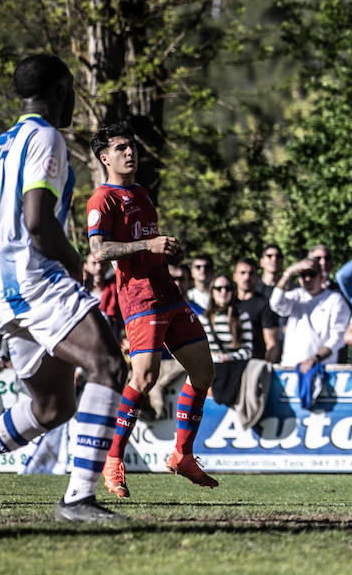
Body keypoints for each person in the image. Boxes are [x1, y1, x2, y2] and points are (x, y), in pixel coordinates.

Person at [0, 54, 128, 522]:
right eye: (73, 92)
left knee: (52, 405)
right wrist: (75, 263)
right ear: (61, 91)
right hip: (34, 279)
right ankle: (79, 498)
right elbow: (37, 223)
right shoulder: (46, 138)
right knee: (106, 364)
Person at [86, 121, 219, 499]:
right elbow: (100, 250)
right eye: (122, 148)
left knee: (203, 371)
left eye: (134, 147)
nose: (131, 153)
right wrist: (148, 246)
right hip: (139, 299)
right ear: (104, 157)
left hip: (169, 294)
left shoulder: (141, 193)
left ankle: (182, 454)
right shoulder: (102, 199)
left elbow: (148, 242)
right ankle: (113, 459)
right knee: (143, 378)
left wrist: (167, 249)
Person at [270, 258, 351, 370]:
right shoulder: (296, 296)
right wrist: (289, 272)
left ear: (321, 276)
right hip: (291, 367)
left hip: (322, 369)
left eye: (312, 274)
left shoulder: (335, 300)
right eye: (303, 275)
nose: (307, 279)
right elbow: (275, 303)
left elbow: (338, 338)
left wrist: (315, 359)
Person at [232, 258, 279, 363]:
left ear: (257, 277)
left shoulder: (265, 304)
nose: (247, 277)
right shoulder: (230, 304)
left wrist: (265, 368)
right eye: (242, 273)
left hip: (254, 365)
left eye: (251, 273)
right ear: (234, 276)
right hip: (230, 364)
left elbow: (272, 344)